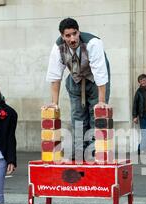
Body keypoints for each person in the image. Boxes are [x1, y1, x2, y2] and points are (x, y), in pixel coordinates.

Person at [46, 17, 110, 160]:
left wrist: (101, 102)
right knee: (78, 117)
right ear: (62, 36)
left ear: (78, 32)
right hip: (75, 79)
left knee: (96, 118)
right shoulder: (58, 47)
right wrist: (54, 103)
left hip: (95, 81)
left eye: (75, 33)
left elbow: (100, 73)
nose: (72, 38)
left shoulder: (93, 43)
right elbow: (55, 75)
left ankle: (94, 152)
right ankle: (79, 152)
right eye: (68, 35)